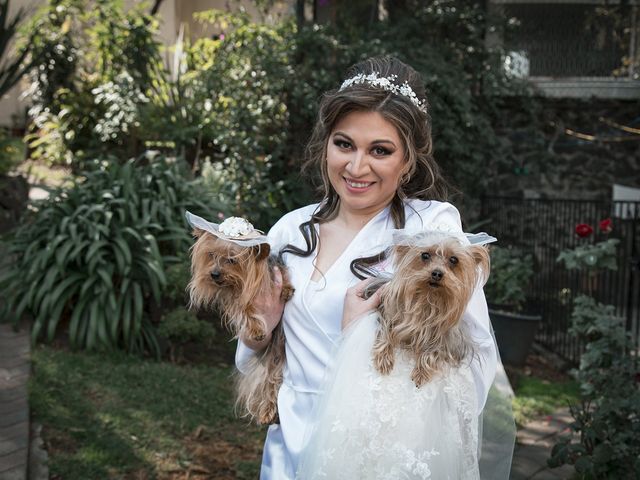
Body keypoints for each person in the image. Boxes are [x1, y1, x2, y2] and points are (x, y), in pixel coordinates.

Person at [235, 55, 505, 479]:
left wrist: (358, 337)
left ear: (408, 160)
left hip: (376, 450)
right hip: (290, 446)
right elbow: (250, 359)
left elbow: (471, 360)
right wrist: (260, 329)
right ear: (326, 143)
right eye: (344, 144)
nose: (357, 167)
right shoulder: (290, 229)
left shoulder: (431, 229)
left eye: (380, 150)